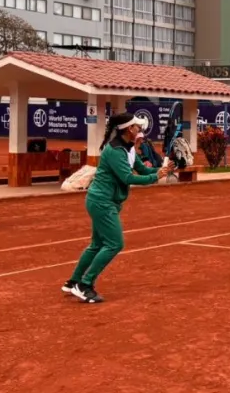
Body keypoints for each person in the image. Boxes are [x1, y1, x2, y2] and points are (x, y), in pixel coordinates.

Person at [62, 112, 170, 304]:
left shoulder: (128, 149)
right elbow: (128, 178)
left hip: (103, 201)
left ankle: (73, 282)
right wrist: (156, 177)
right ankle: (85, 285)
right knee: (114, 243)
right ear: (129, 129)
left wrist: (162, 170)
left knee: (97, 245)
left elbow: (143, 170)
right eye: (137, 126)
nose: (140, 129)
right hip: (102, 202)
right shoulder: (115, 151)